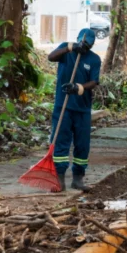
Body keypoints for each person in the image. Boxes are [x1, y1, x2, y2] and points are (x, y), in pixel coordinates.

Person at [47, 29, 102, 192]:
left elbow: (94, 82)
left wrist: (78, 87)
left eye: (88, 44)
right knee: (60, 143)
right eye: (83, 43)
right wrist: (70, 47)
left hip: (82, 109)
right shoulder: (66, 49)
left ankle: (78, 179)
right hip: (63, 106)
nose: (84, 46)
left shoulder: (94, 59)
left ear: (92, 44)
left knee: (82, 144)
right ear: (78, 40)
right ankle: (60, 179)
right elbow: (51, 57)